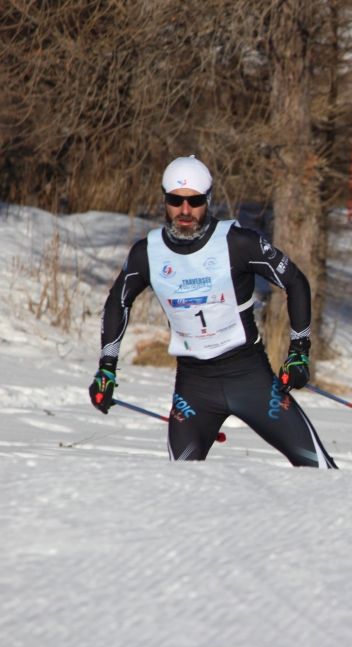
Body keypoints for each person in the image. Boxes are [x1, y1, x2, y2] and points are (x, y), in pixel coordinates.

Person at [88, 156, 337, 468]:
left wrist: (299, 351)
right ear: (165, 200)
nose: (185, 211)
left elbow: (295, 281)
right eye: (175, 201)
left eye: (195, 201)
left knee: (322, 471)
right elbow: (117, 302)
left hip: (251, 379)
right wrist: (107, 368)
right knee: (180, 484)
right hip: (194, 390)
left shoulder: (238, 242)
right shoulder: (147, 253)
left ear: (208, 200)